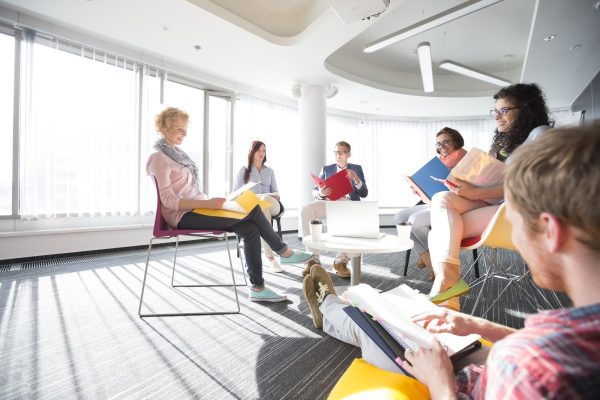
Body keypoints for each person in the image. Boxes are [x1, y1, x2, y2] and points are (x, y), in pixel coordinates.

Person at [304, 123, 600, 399]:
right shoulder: (575, 335)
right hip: (487, 361)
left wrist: (440, 380)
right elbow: (541, 343)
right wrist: (477, 325)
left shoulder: (530, 374)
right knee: (397, 312)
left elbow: (528, 362)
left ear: (552, 232)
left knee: (372, 323)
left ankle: (328, 305)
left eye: (514, 219)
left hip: (458, 382)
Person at [146, 107, 310, 302]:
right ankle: (283, 251)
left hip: (198, 208)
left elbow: (189, 190)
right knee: (253, 207)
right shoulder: (158, 157)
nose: (185, 133)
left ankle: (258, 288)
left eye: (185, 129)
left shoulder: (177, 154)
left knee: (249, 228)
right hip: (182, 215)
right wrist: (208, 204)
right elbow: (168, 200)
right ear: (164, 126)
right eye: (180, 129)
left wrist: (210, 202)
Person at [427, 83, 552, 305]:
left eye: (504, 110)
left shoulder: (540, 134)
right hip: (495, 203)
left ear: (526, 110)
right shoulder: (510, 139)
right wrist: (467, 186)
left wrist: (476, 192)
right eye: (496, 111)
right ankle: (449, 285)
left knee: (438, 232)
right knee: (441, 199)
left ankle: (448, 290)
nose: (497, 116)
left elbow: (530, 185)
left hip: (518, 210)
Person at [395, 127, 467, 280]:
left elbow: (463, 187)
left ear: (456, 141)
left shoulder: (464, 158)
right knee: (400, 218)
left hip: (451, 203)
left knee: (414, 222)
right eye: (439, 144)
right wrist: (420, 190)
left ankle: (434, 261)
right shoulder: (439, 161)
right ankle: (428, 258)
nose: (442, 147)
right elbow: (433, 188)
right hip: (433, 201)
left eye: (446, 142)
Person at [300, 141, 368, 278]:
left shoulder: (356, 168)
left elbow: (364, 193)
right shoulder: (326, 169)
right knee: (306, 210)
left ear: (349, 154)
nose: (339, 155)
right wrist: (321, 194)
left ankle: (340, 262)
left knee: (350, 215)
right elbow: (315, 190)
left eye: (342, 152)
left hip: (348, 203)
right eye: (337, 152)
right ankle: (313, 259)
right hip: (328, 201)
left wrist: (355, 178)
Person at [234, 141, 284, 273]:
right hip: (255, 206)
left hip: (273, 204)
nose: (262, 153)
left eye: (264, 150)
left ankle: (250, 243)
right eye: (259, 150)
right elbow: (236, 194)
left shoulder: (270, 171)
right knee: (261, 208)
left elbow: (277, 193)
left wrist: (265, 196)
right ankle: (271, 258)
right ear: (252, 152)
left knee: (263, 201)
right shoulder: (243, 170)